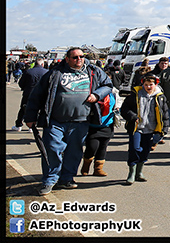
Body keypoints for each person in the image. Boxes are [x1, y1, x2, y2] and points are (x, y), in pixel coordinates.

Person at [24, 48, 113, 196]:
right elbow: (37, 95)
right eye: (75, 57)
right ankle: (49, 180)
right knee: (52, 149)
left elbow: (108, 85)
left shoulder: (93, 71)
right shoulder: (54, 73)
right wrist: (30, 117)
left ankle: (66, 178)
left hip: (81, 121)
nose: (79, 59)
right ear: (67, 59)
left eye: (81, 57)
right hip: (56, 121)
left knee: (74, 152)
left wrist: (97, 95)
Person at [120, 74, 169, 185]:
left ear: (155, 84)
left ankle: (139, 172)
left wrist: (163, 130)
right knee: (135, 148)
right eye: (146, 85)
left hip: (151, 129)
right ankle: (131, 173)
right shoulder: (135, 94)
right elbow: (125, 108)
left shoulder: (160, 97)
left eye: (151, 85)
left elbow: (165, 114)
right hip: (137, 127)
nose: (148, 87)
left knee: (145, 150)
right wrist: (132, 117)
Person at [80, 87, 117, 176]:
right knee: (92, 147)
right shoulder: (92, 93)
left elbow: (117, 104)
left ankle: (98, 168)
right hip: (93, 125)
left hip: (107, 124)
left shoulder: (113, 93)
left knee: (103, 147)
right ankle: (86, 164)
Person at [13, 57, 49, 131]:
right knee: (42, 110)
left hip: (28, 93)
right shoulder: (46, 72)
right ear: (42, 64)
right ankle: (36, 126)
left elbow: (21, 83)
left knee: (23, 109)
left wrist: (25, 88)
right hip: (43, 95)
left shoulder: (28, 72)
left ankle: (19, 125)